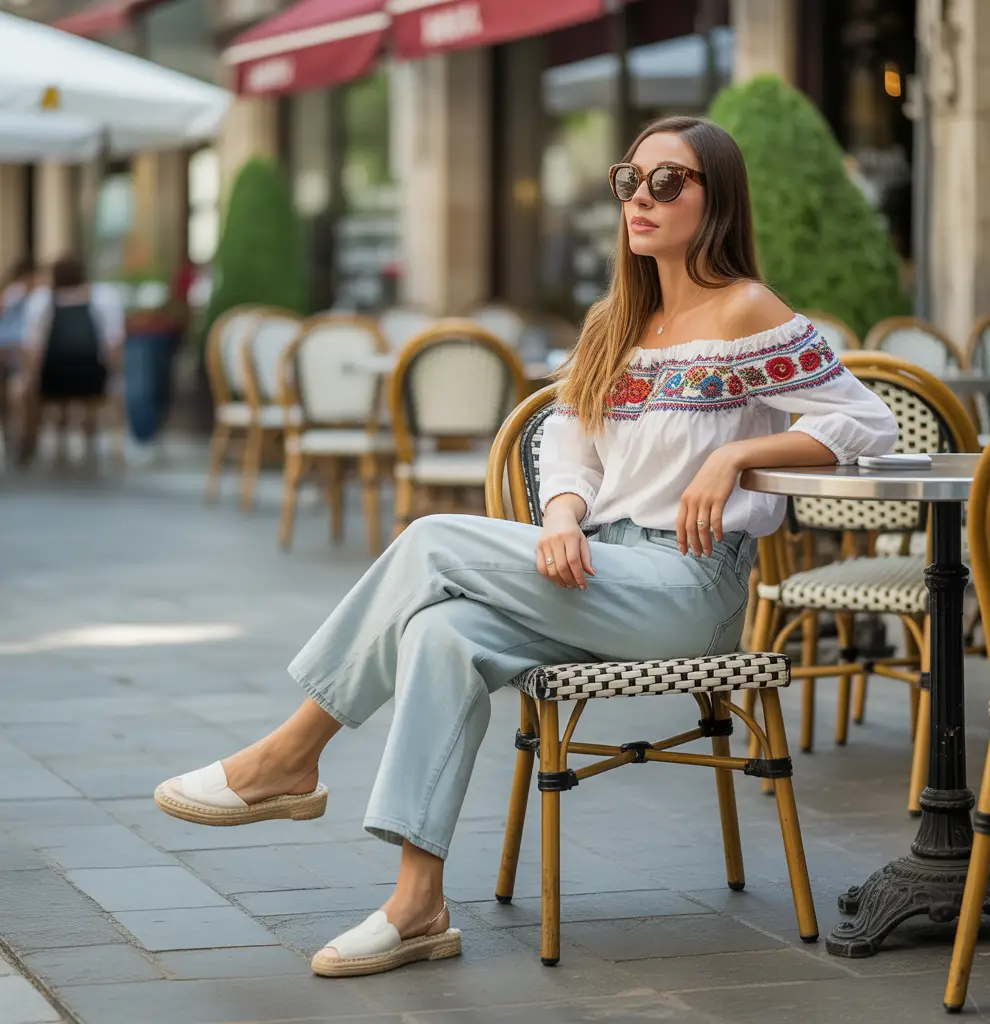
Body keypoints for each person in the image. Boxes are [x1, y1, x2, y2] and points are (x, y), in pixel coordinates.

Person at [155, 116, 899, 977]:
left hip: (688, 589)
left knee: (432, 539)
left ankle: (289, 757)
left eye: (669, 182)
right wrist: (560, 518)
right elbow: (568, 442)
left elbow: (867, 423)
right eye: (630, 180)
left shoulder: (747, 312)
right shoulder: (616, 320)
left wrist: (738, 452)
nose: (641, 199)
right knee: (441, 635)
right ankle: (418, 905)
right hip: (599, 567)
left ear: (716, 200)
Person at [17, 256, 125, 465]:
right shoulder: (105, 298)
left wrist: (32, 380)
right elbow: (114, 348)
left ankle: (28, 448)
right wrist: (114, 376)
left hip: (52, 378)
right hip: (94, 378)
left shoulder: (41, 301)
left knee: (22, 391)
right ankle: (93, 445)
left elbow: (33, 350)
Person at [0, 256, 37, 458]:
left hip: (6, 346)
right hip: (18, 348)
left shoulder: (8, 291)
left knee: (7, 398)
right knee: (21, 392)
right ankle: (21, 441)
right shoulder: (24, 293)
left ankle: (12, 439)